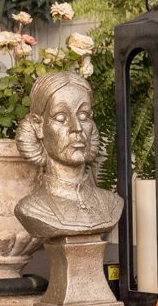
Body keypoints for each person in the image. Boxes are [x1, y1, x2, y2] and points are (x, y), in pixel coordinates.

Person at [14, 72, 122, 240]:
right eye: (61, 117)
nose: (76, 127)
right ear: (38, 125)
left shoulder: (112, 203)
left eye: (84, 116)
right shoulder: (31, 209)